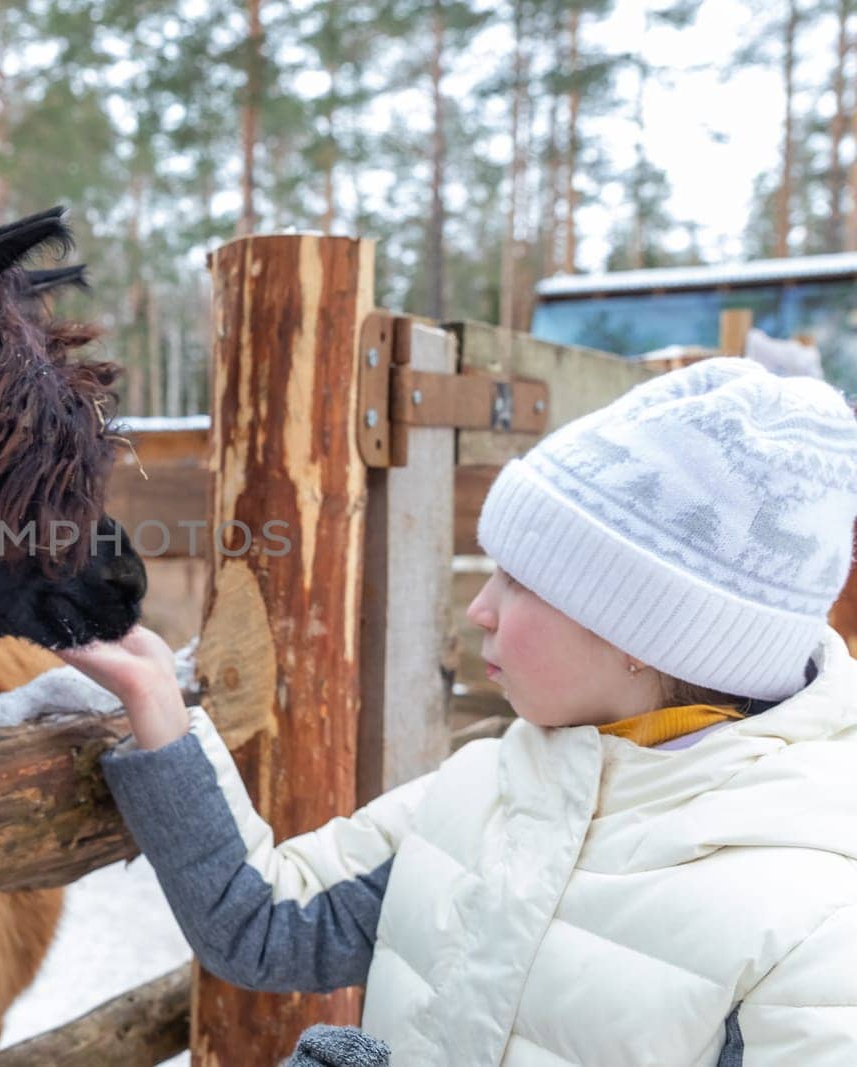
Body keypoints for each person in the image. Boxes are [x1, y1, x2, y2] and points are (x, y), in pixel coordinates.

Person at [59, 358, 857, 1065]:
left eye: (520, 579)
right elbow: (266, 923)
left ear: (643, 631)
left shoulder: (812, 920)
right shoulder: (486, 787)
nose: (479, 608)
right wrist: (158, 701)